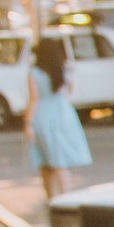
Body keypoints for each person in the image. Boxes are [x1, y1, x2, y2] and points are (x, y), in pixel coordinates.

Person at [25, 35, 92, 203]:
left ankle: (52, 199)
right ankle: (66, 198)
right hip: (63, 114)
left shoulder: (34, 73)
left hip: (43, 115)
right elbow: (69, 90)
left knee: (46, 162)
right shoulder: (61, 69)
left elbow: (34, 100)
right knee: (60, 160)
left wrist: (28, 123)